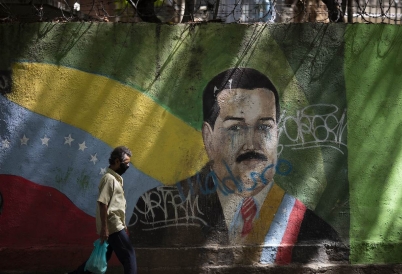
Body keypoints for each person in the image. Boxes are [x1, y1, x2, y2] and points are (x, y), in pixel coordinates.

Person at [129, 68, 348, 264]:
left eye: (264, 127)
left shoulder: (315, 232)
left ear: (278, 136)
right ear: (208, 138)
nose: (251, 143)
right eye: (235, 128)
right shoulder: (156, 213)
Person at [68, 146, 137, 274]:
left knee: (101, 257)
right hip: (112, 226)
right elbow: (103, 203)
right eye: (126, 163)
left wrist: (123, 224)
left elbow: (115, 205)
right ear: (117, 161)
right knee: (129, 256)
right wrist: (105, 228)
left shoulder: (115, 179)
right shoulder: (108, 179)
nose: (128, 166)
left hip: (114, 225)